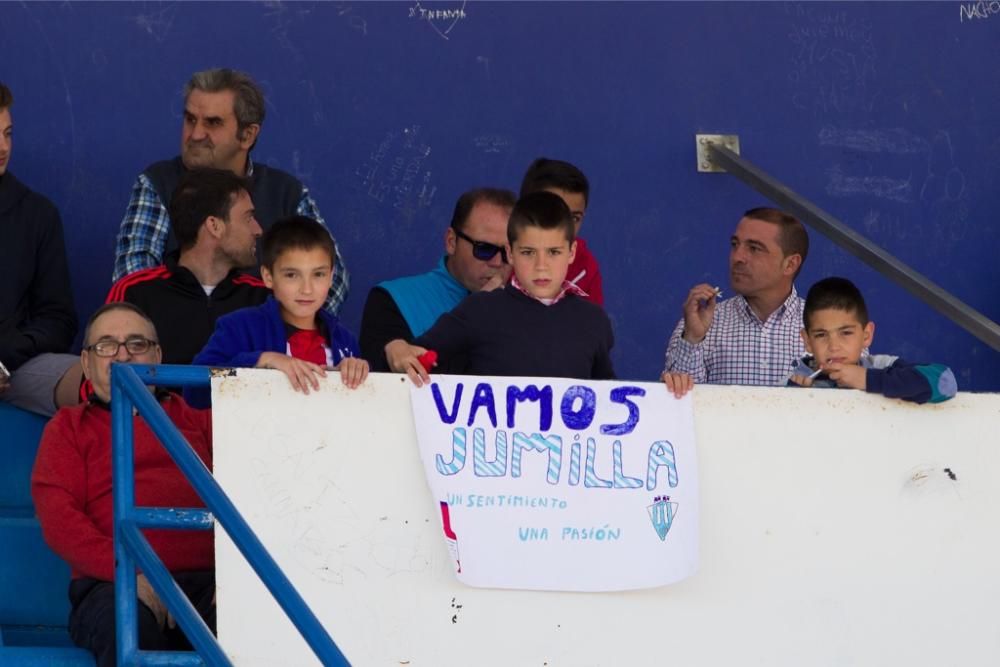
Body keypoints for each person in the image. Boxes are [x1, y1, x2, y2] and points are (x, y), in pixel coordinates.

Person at [31, 303, 215, 667]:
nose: (122, 354)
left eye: (137, 343)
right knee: (128, 631)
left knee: (251, 626)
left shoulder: (201, 422)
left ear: (158, 355)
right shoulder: (69, 428)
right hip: (114, 584)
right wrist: (133, 575)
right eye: (106, 345)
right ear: (86, 363)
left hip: (209, 585)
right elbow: (60, 522)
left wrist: (237, 582)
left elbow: (255, 496)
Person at [111, 68, 349, 314]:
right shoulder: (159, 183)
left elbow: (333, 280)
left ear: (247, 135)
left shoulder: (285, 193)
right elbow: (133, 278)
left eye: (213, 123)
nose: (195, 134)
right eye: (190, 119)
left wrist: (271, 331)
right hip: (173, 345)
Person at [387, 191, 614, 385]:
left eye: (554, 252)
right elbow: (416, 358)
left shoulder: (593, 321)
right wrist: (397, 348)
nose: (541, 266)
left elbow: (608, 398)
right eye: (528, 252)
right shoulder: (480, 310)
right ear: (510, 253)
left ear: (572, 252)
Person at [192, 216, 367, 404]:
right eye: (292, 275)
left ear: (331, 277)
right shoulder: (240, 327)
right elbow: (195, 391)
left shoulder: (345, 341)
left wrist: (358, 372)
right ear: (268, 277)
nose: (307, 289)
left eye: (318, 274)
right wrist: (262, 360)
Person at [106, 168, 270, 364]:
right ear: (214, 226)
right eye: (248, 218)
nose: (258, 230)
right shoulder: (135, 293)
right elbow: (103, 378)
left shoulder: (264, 298)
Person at [360, 187, 516, 372]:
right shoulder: (392, 299)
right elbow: (396, 386)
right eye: (484, 249)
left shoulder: (528, 307)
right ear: (451, 241)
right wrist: (478, 310)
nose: (497, 262)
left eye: (507, 252)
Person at [0, 81, 82, 416]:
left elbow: (58, 319)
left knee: (104, 381)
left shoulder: (37, 213)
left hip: (12, 368)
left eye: (7, 133)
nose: (2, 146)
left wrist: (5, 356)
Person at [664, 207, 809, 386]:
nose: (737, 257)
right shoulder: (703, 321)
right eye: (735, 245)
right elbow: (679, 403)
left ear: (790, 264)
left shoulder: (821, 328)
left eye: (754, 248)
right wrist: (692, 339)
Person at [788, 277, 957, 403]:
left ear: (866, 335)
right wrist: (795, 399)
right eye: (821, 335)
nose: (834, 346)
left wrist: (867, 379)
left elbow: (945, 382)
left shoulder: (882, 366)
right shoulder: (798, 380)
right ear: (808, 341)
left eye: (846, 333)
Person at [519, 157, 604, 305]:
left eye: (575, 218)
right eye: (554, 213)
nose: (566, 227)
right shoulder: (502, 258)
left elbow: (594, 325)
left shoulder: (586, 266)